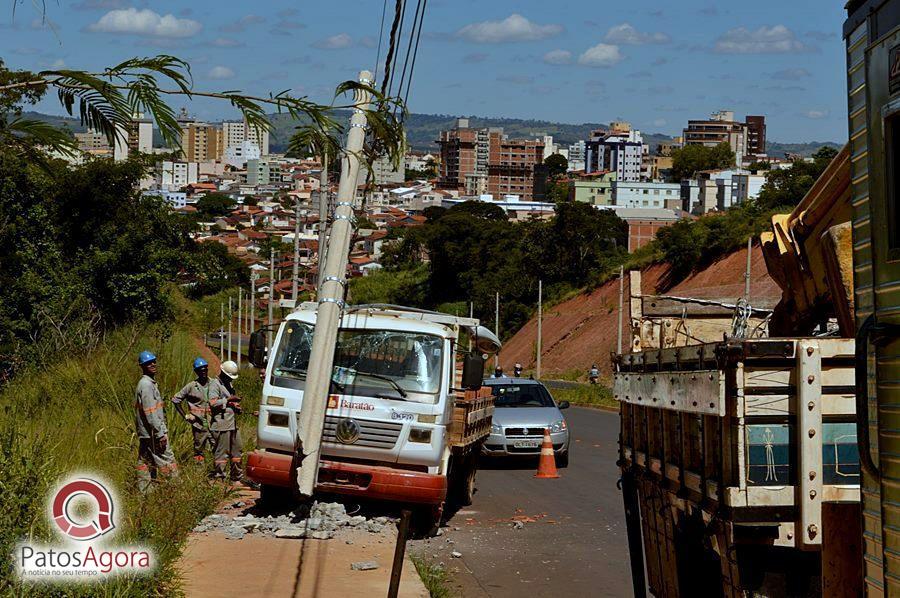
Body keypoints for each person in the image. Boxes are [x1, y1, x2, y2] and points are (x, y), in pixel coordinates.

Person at [134, 350, 178, 492]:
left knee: (145, 463)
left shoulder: (147, 384)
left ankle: (146, 494)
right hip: (153, 433)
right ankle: (176, 491)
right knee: (167, 461)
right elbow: (151, 413)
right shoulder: (146, 385)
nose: (152, 364)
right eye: (148, 363)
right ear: (142, 366)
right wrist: (160, 433)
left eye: (154, 361)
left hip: (146, 433)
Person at [209, 360, 247, 484]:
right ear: (223, 373)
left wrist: (235, 407)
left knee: (237, 451)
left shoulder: (229, 385)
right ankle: (219, 478)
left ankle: (236, 477)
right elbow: (213, 403)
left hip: (232, 424)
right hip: (222, 425)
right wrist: (229, 399)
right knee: (222, 454)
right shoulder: (215, 384)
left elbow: (229, 403)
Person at [171, 357, 213, 464]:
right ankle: (199, 472)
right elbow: (176, 400)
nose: (203, 371)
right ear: (196, 371)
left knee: (217, 448)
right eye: (200, 370)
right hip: (199, 425)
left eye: (205, 369)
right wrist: (185, 416)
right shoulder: (191, 386)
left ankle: (217, 473)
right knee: (199, 450)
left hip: (214, 423)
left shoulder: (214, 384)